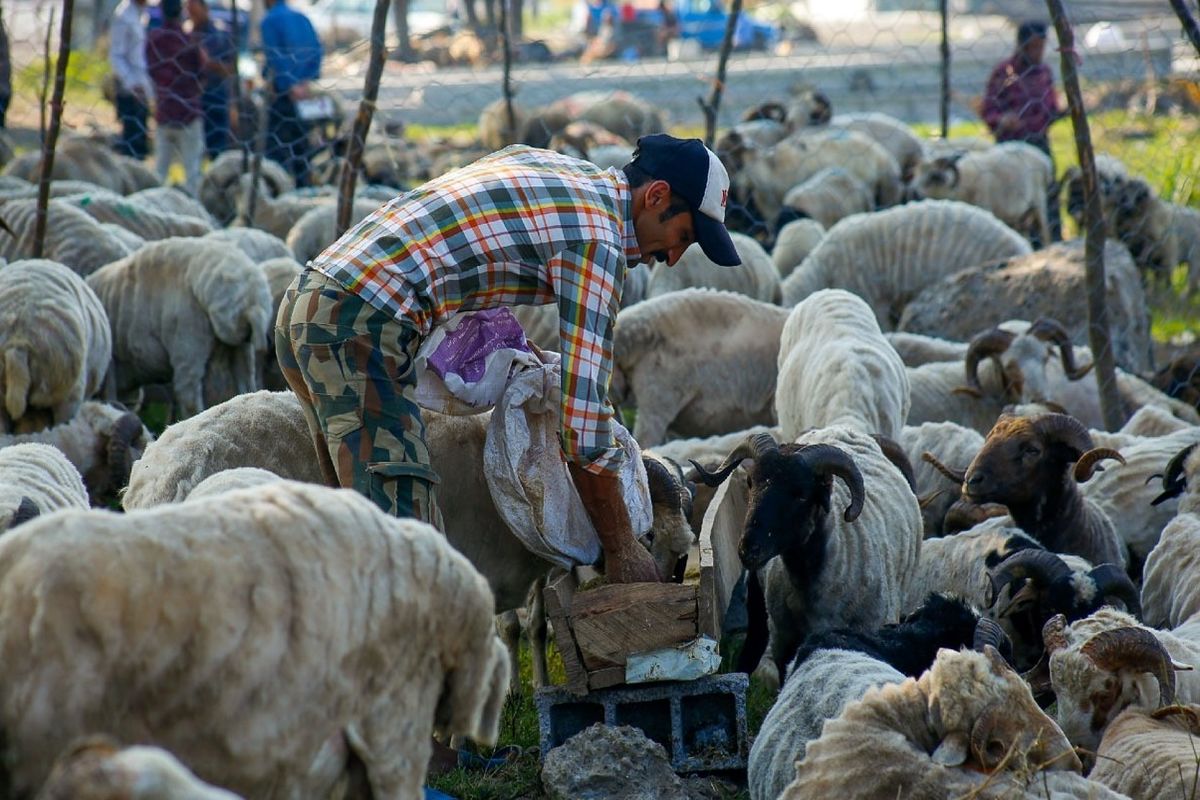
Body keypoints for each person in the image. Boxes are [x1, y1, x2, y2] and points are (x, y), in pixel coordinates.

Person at [275, 135, 742, 584]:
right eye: (683, 236)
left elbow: (467, 240)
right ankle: (407, 663)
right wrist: (621, 547)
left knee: (359, 531)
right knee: (408, 551)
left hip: (311, 300)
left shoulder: (556, 170)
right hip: (361, 323)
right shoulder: (598, 242)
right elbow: (583, 428)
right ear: (656, 196)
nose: (674, 258)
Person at [982, 19, 1065, 240]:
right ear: (1022, 46)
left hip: (1038, 144)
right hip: (1011, 148)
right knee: (1011, 198)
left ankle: (1051, 241)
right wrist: (1002, 120)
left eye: (1042, 47)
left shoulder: (1044, 72)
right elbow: (988, 109)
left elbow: (1051, 109)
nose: (1039, 52)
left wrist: (1064, 111)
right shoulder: (1004, 73)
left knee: (1046, 196)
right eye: (1034, 47)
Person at [146, 0, 206, 195]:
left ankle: (154, 209)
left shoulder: (154, 40)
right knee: (192, 172)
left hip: (164, 112)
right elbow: (202, 73)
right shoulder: (189, 40)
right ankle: (193, 213)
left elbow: (148, 71)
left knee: (159, 172)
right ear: (181, 12)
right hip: (188, 114)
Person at [260, 0, 322, 187]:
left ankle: (279, 190)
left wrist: (290, 85)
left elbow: (275, 56)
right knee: (303, 148)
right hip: (305, 93)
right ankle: (305, 190)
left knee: (275, 151)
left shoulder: (269, 21)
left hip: (283, 95)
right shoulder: (302, 17)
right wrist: (306, 81)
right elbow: (317, 50)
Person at [188, 0, 236, 160]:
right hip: (193, 100)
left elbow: (231, 69)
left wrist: (208, 63)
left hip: (216, 97)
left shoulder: (220, 34)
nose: (191, 15)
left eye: (194, 10)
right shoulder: (188, 34)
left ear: (205, 9)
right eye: (188, 11)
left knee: (218, 146)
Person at [109, 0, 155, 159]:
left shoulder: (141, 13)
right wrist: (132, 84)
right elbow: (116, 56)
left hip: (142, 88)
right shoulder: (123, 15)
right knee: (131, 141)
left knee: (140, 141)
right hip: (129, 90)